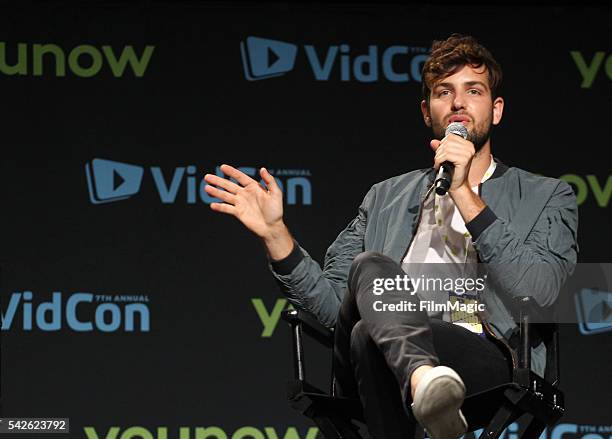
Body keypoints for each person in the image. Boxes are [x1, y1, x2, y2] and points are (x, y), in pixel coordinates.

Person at [203, 34, 578, 439]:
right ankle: (424, 381)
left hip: (482, 356)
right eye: (443, 92)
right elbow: (332, 310)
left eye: (474, 90)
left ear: (496, 109)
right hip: (383, 356)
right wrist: (276, 235)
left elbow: (541, 290)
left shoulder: (547, 195)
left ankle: (423, 381)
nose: (458, 103)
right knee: (369, 276)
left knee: (368, 335)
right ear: (426, 111)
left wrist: (463, 193)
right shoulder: (384, 197)